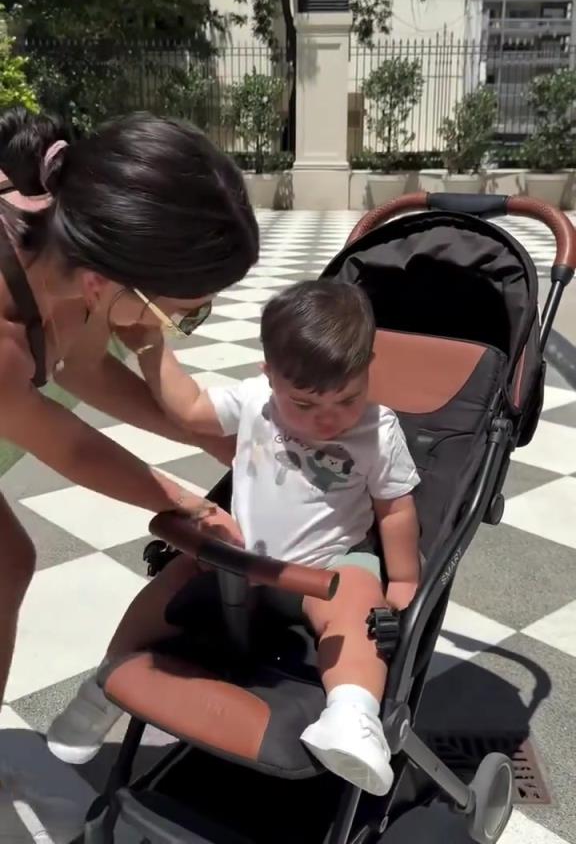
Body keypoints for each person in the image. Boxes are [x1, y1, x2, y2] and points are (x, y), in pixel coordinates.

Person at [48, 280, 421, 797]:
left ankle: (352, 717)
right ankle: (101, 688)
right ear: (269, 376)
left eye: (347, 398)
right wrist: (152, 347)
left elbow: (395, 510)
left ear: (368, 370)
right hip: (241, 556)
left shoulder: (378, 431)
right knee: (162, 592)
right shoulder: (254, 401)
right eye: (304, 403)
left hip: (328, 566)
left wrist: (403, 577)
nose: (327, 418)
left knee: (359, 610)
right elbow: (190, 409)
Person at [0, 107, 258, 800]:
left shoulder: (76, 244)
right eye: (184, 313)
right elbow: (68, 445)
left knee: (6, 561)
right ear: (105, 284)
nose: (180, 327)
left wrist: (218, 439)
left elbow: (84, 369)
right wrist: (190, 506)